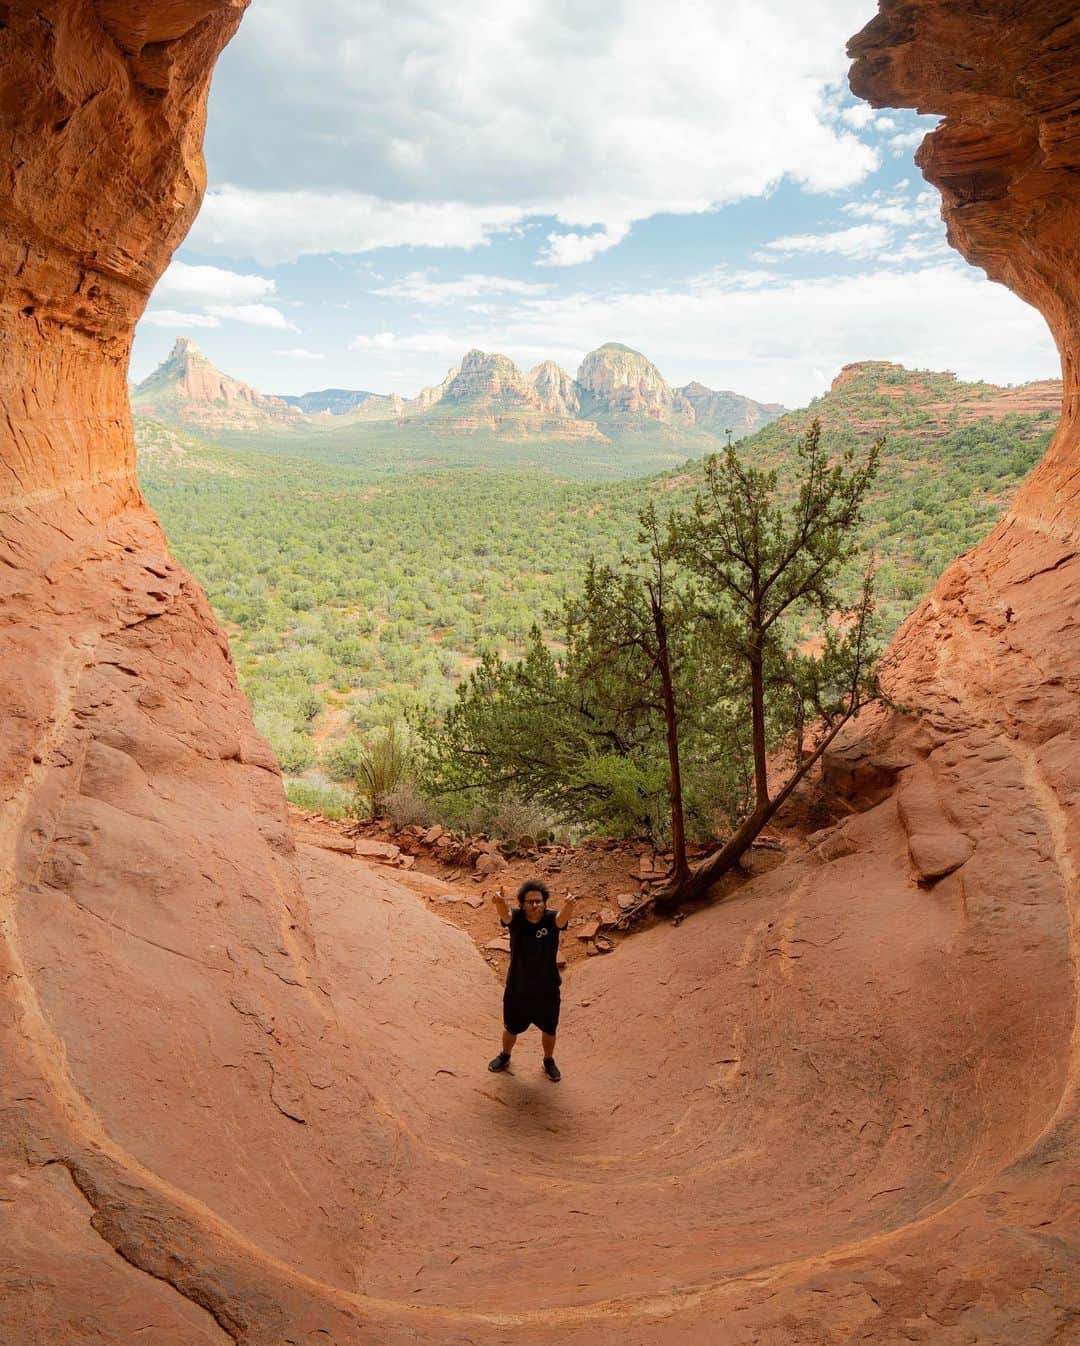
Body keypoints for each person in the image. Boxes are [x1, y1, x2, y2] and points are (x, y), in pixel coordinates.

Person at [488, 879, 577, 1082]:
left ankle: (548, 1061)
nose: (534, 905)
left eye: (538, 901)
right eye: (530, 902)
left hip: (547, 989)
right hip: (518, 987)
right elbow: (505, 916)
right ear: (522, 904)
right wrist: (499, 902)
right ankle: (505, 1055)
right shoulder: (517, 918)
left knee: (549, 1028)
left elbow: (562, 921)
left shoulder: (551, 918)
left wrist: (570, 905)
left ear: (545, 902)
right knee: (511, 1027)